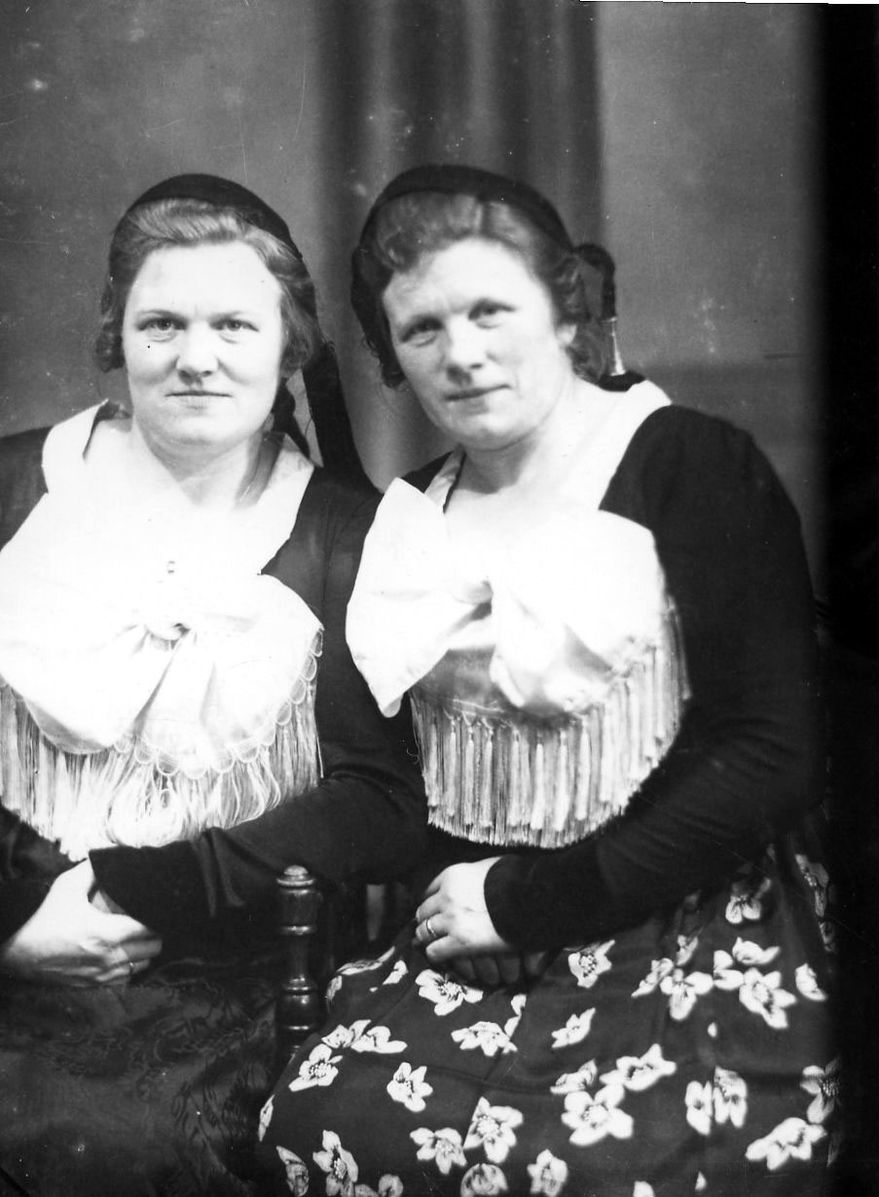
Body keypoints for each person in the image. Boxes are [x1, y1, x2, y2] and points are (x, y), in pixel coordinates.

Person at [258, 164, 836, 1196]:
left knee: (607, 1158)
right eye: (421, 329)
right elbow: (399, 778)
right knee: (322, 1122)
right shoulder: (410, 518)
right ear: (390, 354)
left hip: (694, 911)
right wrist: (476, 905)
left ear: (565, 312)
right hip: (477, 926)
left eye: (491, 310)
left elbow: (772, 754)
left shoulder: (688, 461)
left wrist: (534, 903)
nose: (462, 353)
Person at [0, 174, 425, 1197]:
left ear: (290, 343)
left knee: (103, 1152)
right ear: (116, 332)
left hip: (223, 976)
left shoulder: (347, 531)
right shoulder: (13, 489)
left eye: (234, 324)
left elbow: (380, 800)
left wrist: (153, 886)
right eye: (162, 324)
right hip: (10, 942)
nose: (196, 357)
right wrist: (10, 929)